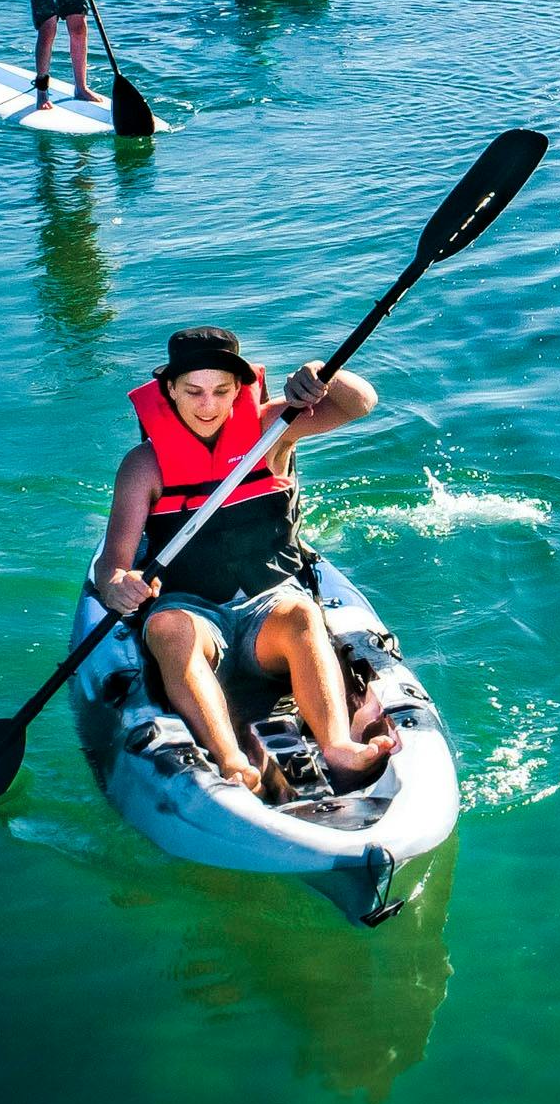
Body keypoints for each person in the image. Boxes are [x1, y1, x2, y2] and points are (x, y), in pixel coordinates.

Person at [89, 325, 397, 790]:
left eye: (221, 391)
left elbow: (361, 403)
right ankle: (230, 761)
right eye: (193, 391)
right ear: (169, 390)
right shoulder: (143, 465)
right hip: (192, 614)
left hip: (268, 613)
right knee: (169, 629)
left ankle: (337, 746)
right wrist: (118, 584)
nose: (207, 406)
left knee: (301, 614)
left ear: (239, 390)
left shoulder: (273, 429)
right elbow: (111, 563)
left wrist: (323, 376)